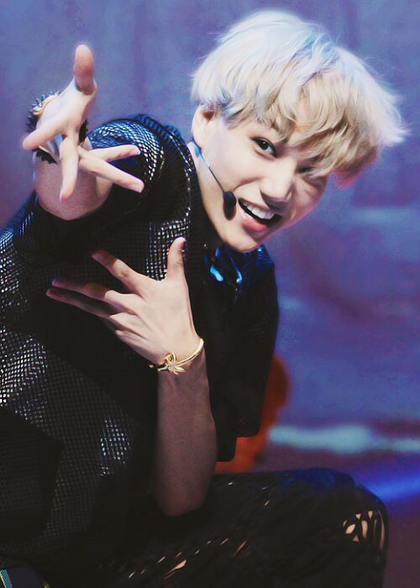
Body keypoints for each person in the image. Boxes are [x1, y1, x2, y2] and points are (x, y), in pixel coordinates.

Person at [0, 10, 405, 588]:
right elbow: (78, 189)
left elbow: (181, 500)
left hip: (87, 549)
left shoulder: (250, 282)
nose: (280, 189)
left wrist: (182, 362)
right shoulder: (159, 165)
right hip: (14, 521)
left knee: (344, 516)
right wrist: (61, 142)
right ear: (207, 118)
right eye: (265, 146)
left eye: (312, 172)